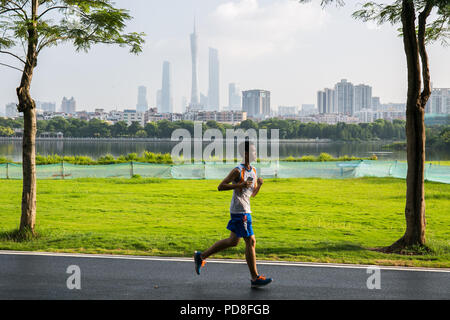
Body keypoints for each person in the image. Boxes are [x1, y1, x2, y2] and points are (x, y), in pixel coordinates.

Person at [194, 140, 273, 287]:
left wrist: (260, 185)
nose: (256, 154)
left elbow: (252, 193)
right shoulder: (237, 170)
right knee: (250, 241)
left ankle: (201, 256)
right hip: (240, 211)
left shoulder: (254, 171)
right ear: (246, 154)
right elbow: (221, 186)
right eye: (254, 151)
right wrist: (239, 184)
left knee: (233, 241)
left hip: (246, 209)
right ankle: (255, 278)